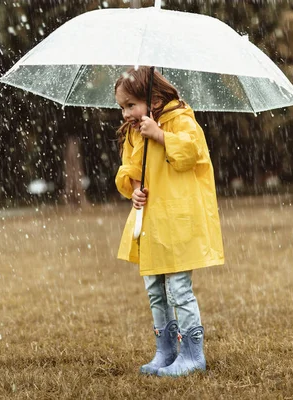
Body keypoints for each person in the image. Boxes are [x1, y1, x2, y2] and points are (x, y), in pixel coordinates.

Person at [114, 66, 225, 377]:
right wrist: (135, 190)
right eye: (122, 107)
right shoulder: (136, 130)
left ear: (152, 97)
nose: (125, 113)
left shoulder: (181, 118)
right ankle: (166, 349)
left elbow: (192, 153)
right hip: (151, 220)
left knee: (178, 288)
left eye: (130, 105)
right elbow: (130, 168)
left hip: (177, 217)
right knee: (155, 288)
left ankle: (193, 353)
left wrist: (161, 135)